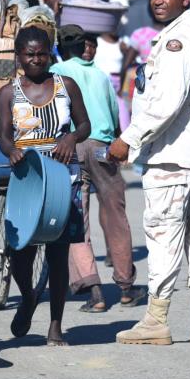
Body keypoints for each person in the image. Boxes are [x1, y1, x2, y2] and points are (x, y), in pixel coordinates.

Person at [107, 0, 190, 345]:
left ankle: (156, 320)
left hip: (173, 153)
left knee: (163, 236)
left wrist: (129, 138)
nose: (158, 0)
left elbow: (167, 101)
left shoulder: (179, 39)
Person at [0, 26, 91, 346]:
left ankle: (55, 326)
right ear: (18, 57)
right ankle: (27, 296)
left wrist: (71, 137)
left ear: (50, 54)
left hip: (62, 176)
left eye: (42, 54)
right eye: (29, 54)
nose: (36, 59)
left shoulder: (67, 85)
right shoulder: (8, 92)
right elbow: (5, 135)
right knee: (20, 251)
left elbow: (85, 124)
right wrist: (11, 150)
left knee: (58, 253)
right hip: (27, 176)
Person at [51, 24, 145, 312]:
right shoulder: (101, 75)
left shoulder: (56, 71)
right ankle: (126, 287)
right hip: (104, 147)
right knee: (116, 215)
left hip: (71, 148)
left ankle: (95, 292)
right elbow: (115, 117)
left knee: (77, 219)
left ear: (59, 48)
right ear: (83, 47)